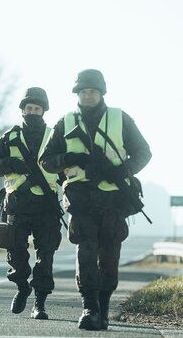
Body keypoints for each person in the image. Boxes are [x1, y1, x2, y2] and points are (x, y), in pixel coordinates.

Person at [40, 69, 152, 330]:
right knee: (86, 252)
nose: (88, 95)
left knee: (110, 253)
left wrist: (121, 170)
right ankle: (90, 307)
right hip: (81, 200)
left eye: (92, 91)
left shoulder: (120, 118)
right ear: (77, 94)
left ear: (101, 93)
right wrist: (69, 159)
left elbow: (143, 152)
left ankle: (103, 305)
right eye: (83, 91)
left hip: (113, 199)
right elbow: (46, 160)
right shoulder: (65, 122)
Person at [0, 87, 63, 320]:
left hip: (47, 207)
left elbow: (65, 172)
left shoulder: (54, 136)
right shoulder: (10, 137)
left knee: (45, 256)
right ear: (22, 110)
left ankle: (39, 303)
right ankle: (21, 286)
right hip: (17, 205)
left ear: (43, 111)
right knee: (16, 254)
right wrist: (10, 163)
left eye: (36, 109)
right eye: (28, 108)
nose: (32, 112)